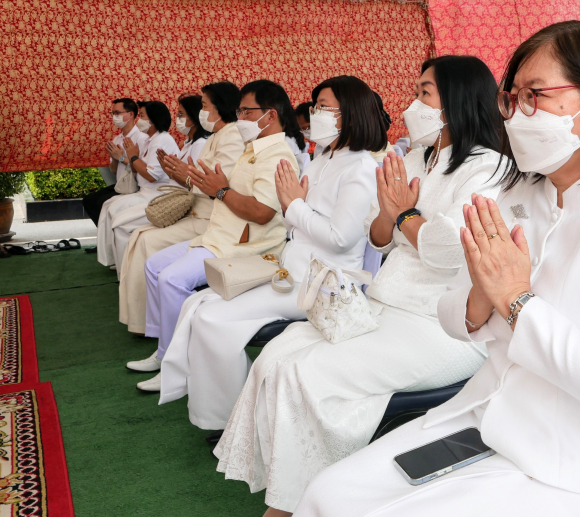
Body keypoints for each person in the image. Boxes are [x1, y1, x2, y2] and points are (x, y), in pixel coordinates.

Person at [295, 20, 580, 517]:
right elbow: (455, 316)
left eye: (537, 95)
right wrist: (480, 299)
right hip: (496, 419)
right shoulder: (519, 195)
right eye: (513, 99)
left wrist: (516, 299)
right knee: (328, 494)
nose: (518, 116)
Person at [213, 56, 504, 516]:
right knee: (278, 356)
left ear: (457, 101)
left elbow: (449, 250)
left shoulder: (487, 168)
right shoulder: (415, 156)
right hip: (386, 301)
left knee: (308, 373)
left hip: (442, 322)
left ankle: (292, 507)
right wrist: (395, 217)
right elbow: (378, 236)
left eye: (425, 93)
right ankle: (289, 485)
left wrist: (404, 215)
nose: (413, 104)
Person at [158, 75, 383, 434]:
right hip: (293, 268)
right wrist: (295, 211)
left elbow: (340, 239)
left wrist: (293, 207)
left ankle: (229, 419)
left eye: (323, 107)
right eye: (316, 106)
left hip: (323, 283)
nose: (315, 113)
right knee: (201, 307)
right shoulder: (322, 159)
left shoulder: (361, 168)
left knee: (214, 320)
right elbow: (299, 224)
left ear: (349, 114)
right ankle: (223, 409)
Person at [127, 80, 302, 392]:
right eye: (239, 110)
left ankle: (181, 368)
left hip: (244, 246)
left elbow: (263, 212)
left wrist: (220, 189)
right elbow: (221, 187)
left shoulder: (277, 154)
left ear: (270, 115)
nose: (240, 117)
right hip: (221, 236)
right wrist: (207, 183)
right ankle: (165, 350)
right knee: (155, 265)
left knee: (171, 279)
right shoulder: (254, 148)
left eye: (246, 111)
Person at [117, 82, 244, 335]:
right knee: (138, 236)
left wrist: (184, 175)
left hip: (210, 218)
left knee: (144, 241)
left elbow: (217, 183)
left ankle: (150, 325)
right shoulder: (217, 136)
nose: (201, 112)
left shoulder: (232, 136)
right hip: (198, 209)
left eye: (204, 106)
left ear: (220, 108)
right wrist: (179, 173)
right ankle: (147, 321)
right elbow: (199, 179)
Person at [96, 101, 180, 268]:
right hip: (145, 191)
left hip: (159, 193)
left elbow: (150, 176)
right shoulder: (151, 140)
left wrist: (132, 157)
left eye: (142, 116)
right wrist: (120, 157)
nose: (139, 119)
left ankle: (127, 268)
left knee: (119, 221)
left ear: (153, 120)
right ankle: (114, 260)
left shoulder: (161, 139)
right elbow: (137, 171)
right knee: (108, 206)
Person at [82, 98, 148, 227]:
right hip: (121, 184)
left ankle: (110, 239)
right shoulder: (117, 139)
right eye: (113, 114)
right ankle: (103, 239)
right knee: (89, 200)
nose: (114, 117)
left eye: (118, 113)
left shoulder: (141, 137)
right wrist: (116, 158)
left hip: (135, 185)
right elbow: (113, 170)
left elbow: (141, 166)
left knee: (102, 202)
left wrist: (121, 158)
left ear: (130, 114)